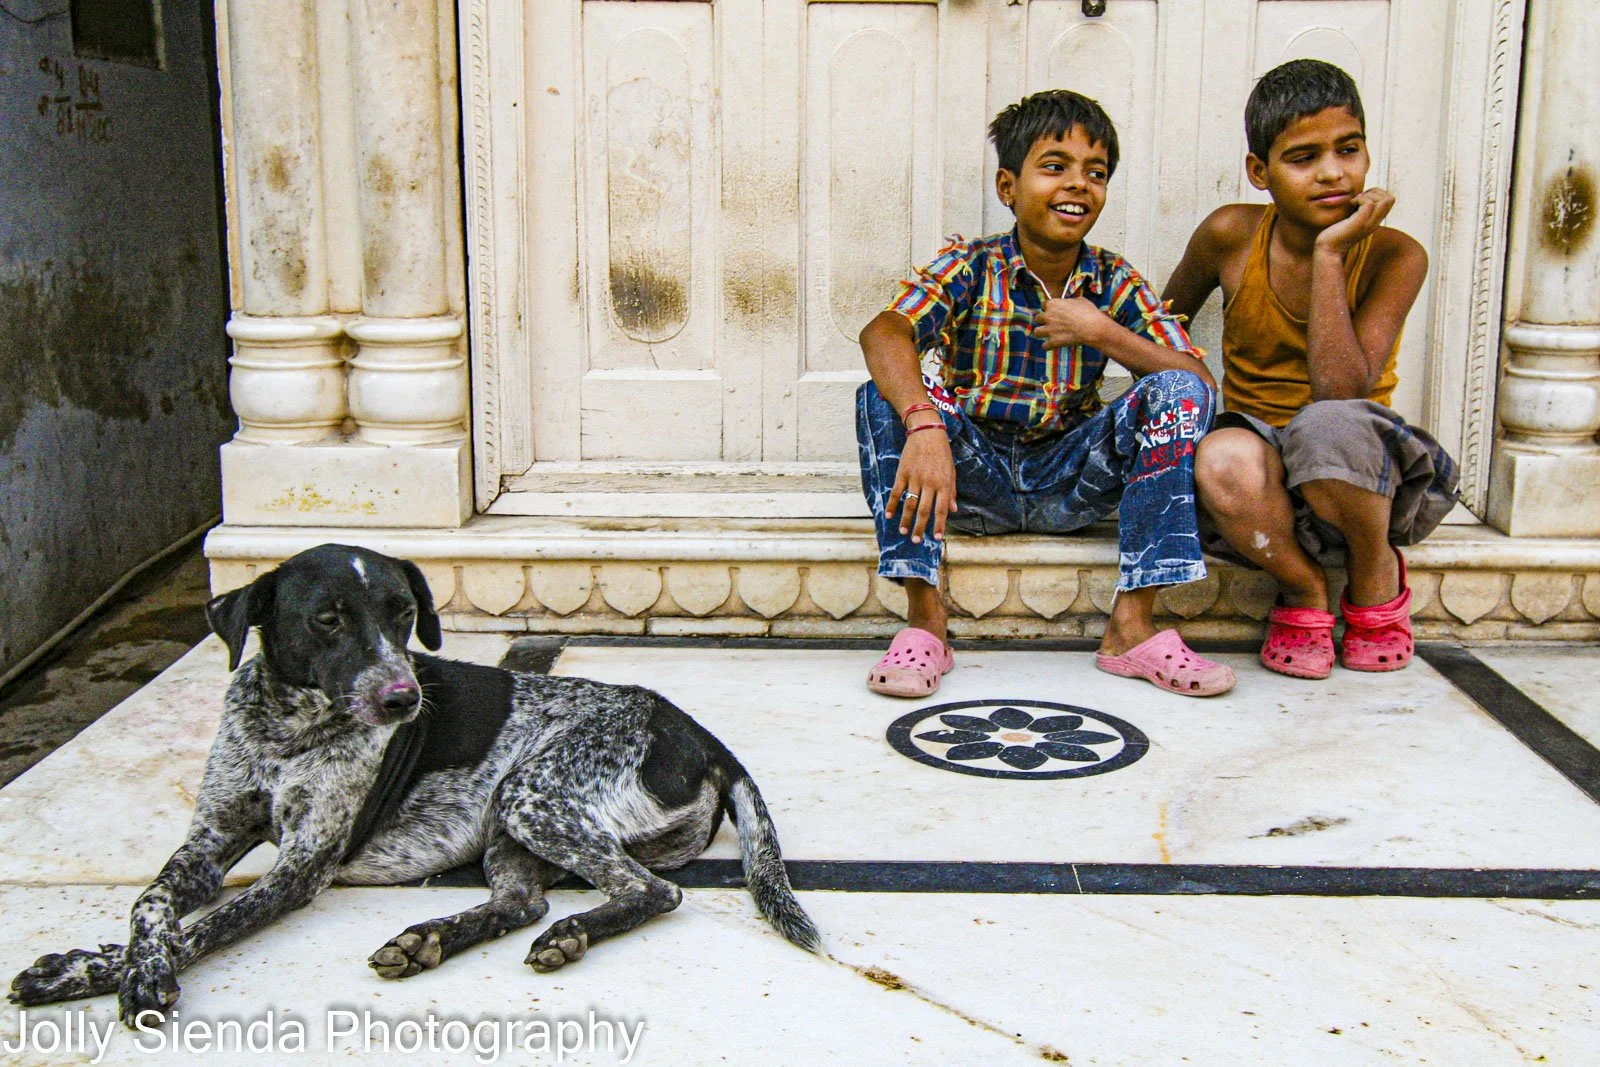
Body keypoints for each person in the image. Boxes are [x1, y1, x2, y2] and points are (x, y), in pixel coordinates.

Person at [856, 89, 1232, 700]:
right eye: (1055, 166)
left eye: (1096, 172)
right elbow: (885, 331)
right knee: (883, 392)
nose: (1078, 184)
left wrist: (1101, 331)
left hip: (1067, 478)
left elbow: (1197, 385)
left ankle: (1132, 629)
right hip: (970, 480)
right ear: (1009, 187)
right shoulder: (972, 266)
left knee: (1175, 391)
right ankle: (925, 625)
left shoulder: (1114, 279)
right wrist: (925, 424)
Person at [1163, 59, 1458, 680]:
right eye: (1302, 158)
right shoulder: (1230, 234)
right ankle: (1301, 587)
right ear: (1259, 172)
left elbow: (1343, 392)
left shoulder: (1397, 254)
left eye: (1348, 150)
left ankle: (1374, 567)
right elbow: (1164, 323)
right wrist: (1190, 385)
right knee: (1220, 454)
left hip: (1359, 467)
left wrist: (1332, 254)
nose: (1332, 172)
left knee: (1327, 428)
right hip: (1261, 470)